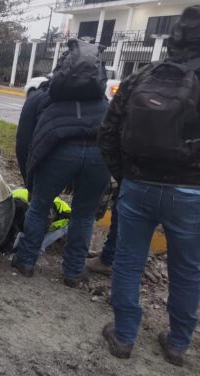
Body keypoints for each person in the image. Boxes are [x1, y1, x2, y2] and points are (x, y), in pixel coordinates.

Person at [98, 5, 200, 366]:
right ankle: (177, 343)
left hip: (137, 185)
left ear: (173, 39)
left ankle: (124, 336)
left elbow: (108, 133)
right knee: (187, 269)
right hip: (190, 192)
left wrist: (124, 176)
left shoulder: (141, 77)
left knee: (127, 262)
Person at [13, 39, 111, 288]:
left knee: (39, 206)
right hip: (99, 156)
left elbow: (24, 142)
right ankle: (74, 272)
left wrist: (30, 179)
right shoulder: (103, 102)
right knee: (84, 215)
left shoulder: (42, 96)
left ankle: (25, 261)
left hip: (57, 152)